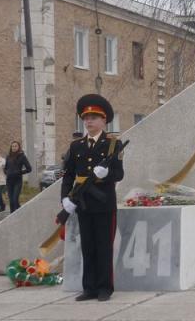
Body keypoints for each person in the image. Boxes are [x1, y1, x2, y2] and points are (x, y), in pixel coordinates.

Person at [60, 94, 126, 302]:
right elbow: (68, 174)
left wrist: (106, 174)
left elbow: (119, 174)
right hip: (83, 203)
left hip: (104, 202)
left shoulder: (112, 144)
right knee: (87, 246)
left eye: (94, 118)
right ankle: (89, 288)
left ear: (103, 120)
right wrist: (65, 199)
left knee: (104, 247)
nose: (89, 121)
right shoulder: (76, 145)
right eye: (86, 118)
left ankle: (105, 287)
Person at [4, 141, 32, 213]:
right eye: (12, 146)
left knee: (15, 200)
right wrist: (7, 172)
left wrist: (20, 172)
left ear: (18, 147)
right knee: (11, 201)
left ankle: (21, 213)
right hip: (9, 180)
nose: (14, 147)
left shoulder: (22, 156)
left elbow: (29, 168)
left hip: (17, 180)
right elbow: (5, 168)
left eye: (15, 146)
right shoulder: (8, 156)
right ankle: (12, 215)